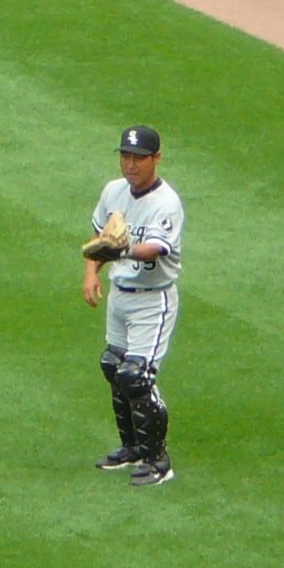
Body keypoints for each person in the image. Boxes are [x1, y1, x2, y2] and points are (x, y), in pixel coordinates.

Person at [84, 125, 184, 486]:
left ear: (156, 159)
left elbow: (155, 248)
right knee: (113, 366)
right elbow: (100, 237)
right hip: (119, 294)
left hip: (152, 302)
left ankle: (159, 461)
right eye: (126, 156)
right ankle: (133, 448)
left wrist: (122, 250)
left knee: (136, 376)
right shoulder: (113, 191)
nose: (131, 164)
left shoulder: (165, 202)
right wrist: (91, 272)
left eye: (139, 158)